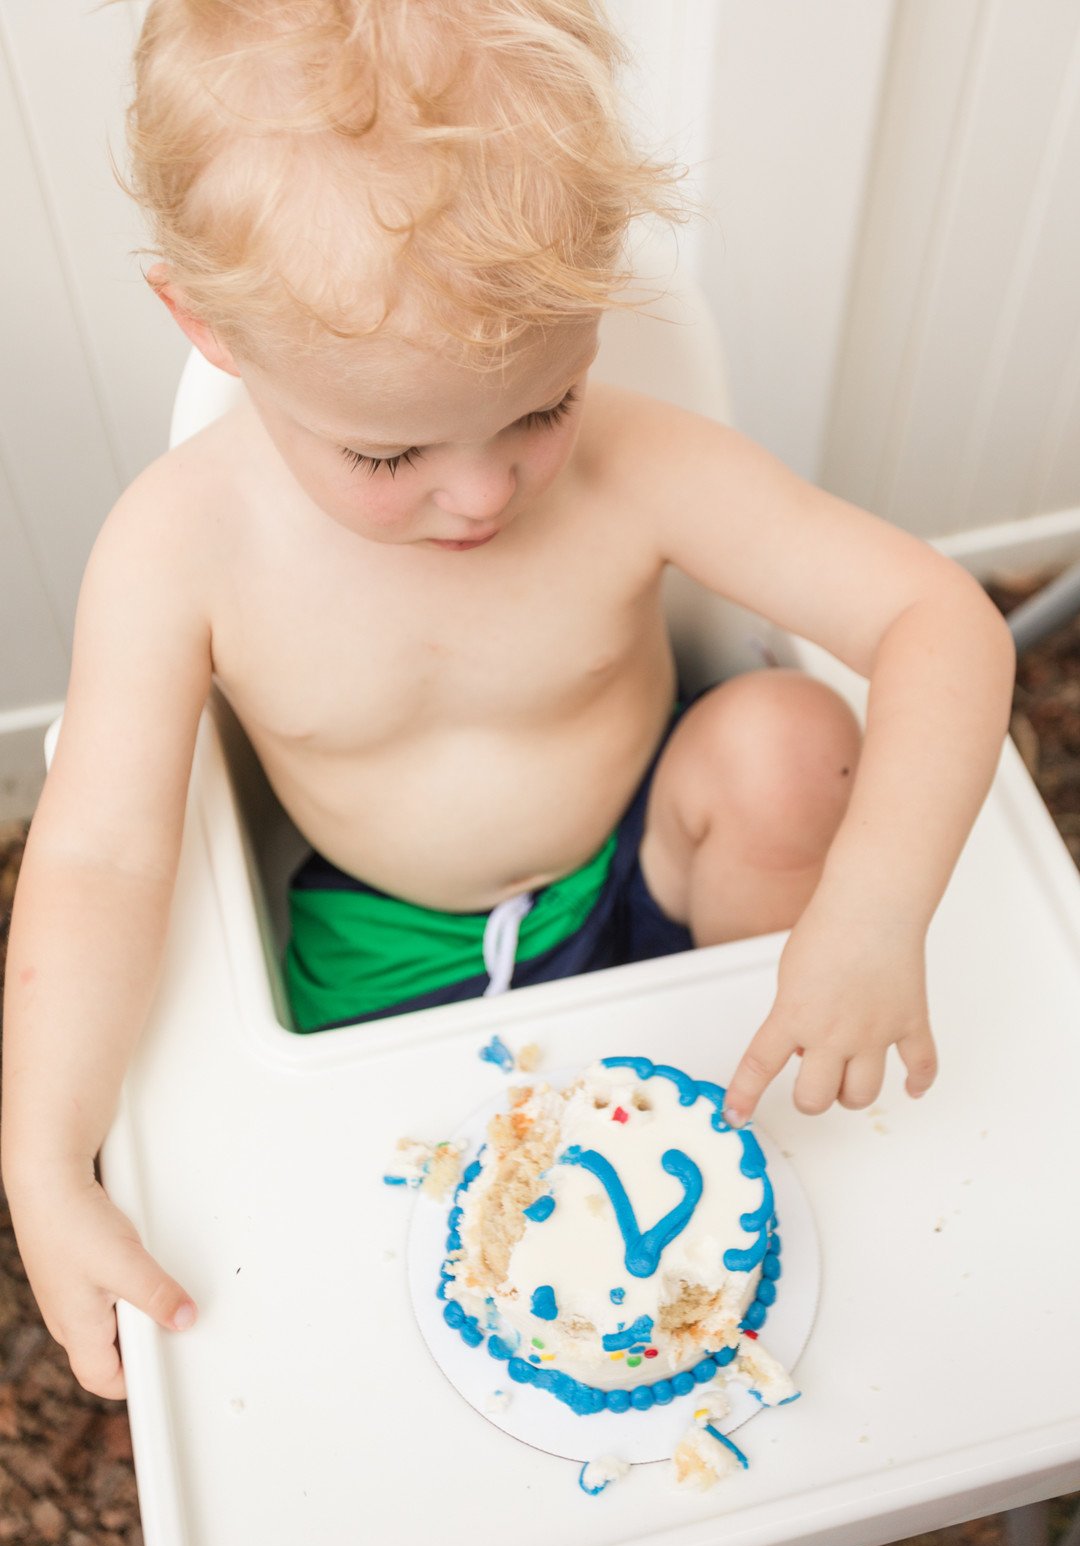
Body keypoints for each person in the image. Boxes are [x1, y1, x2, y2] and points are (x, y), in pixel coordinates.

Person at [0, 0, 1015, 1401]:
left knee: (789, 750)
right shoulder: (180, 548)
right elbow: (102, 856)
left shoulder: (636, 463)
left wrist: (875, 912)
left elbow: (935, 618)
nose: (482, 494)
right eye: (387, 454)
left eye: (544, 408)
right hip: (379, 951)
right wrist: (48, 1159)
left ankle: (798, 1145)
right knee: (369, 1294)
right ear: (208, 326)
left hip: (645, 871)